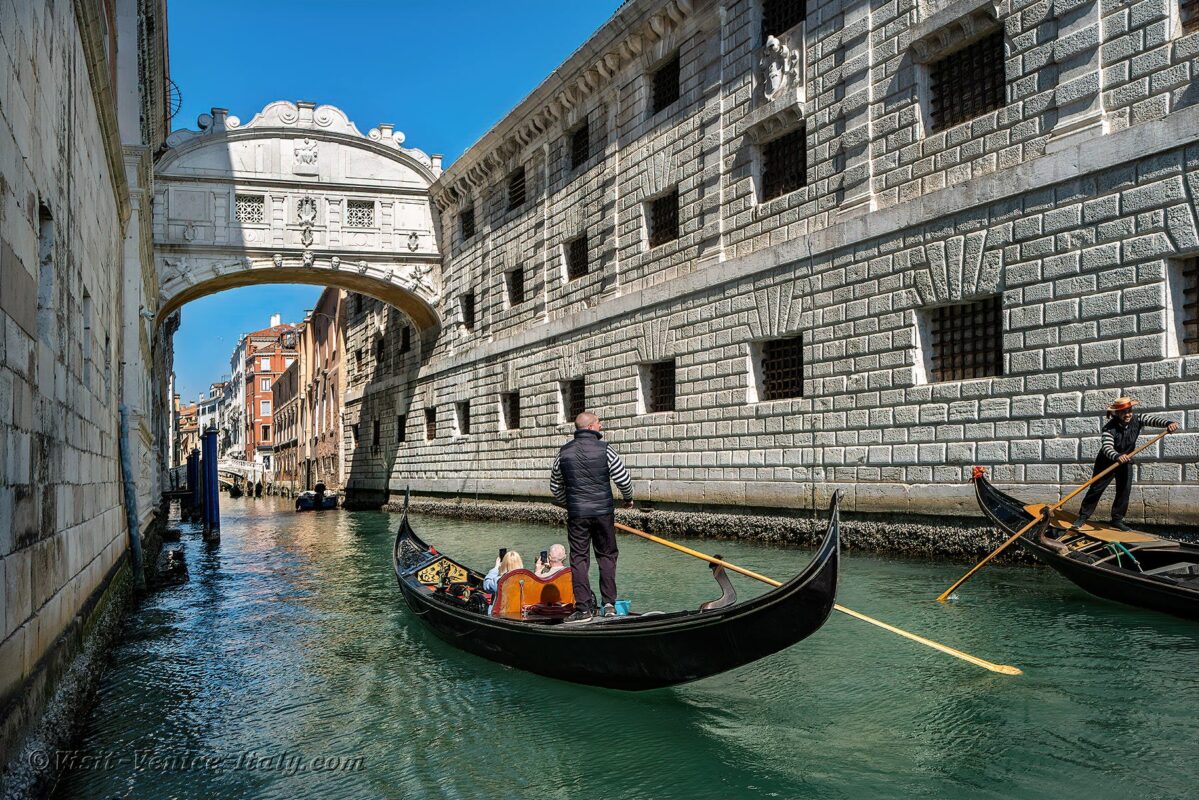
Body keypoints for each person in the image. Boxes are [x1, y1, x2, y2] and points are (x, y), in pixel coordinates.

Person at [550, 411, 634, 623]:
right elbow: (623, 478)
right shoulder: (606, 450)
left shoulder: (563, 453)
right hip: (603, 512)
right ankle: (609, 605)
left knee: (579, 558)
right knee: (606, 556)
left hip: (577, 513)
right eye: (598, 422)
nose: (601, 425)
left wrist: (568, 502)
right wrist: (628, 499)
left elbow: (555, 486)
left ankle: (584, 609)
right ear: (590, 426)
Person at [1071, 396, 1179, 532]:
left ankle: (1117, 520)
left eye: (1129, 411)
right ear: (1117, 413)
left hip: (1126, 460)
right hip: (1106, 462)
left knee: (1124, 490)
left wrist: (1169, 423)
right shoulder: (1108, 429)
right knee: (1096, 489)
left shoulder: (1138, 419)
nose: (1128, 414)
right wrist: (1117, 456)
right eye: (1124, 412)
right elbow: (1107, 448)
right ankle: (1082, 517)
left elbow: (1154, 420)